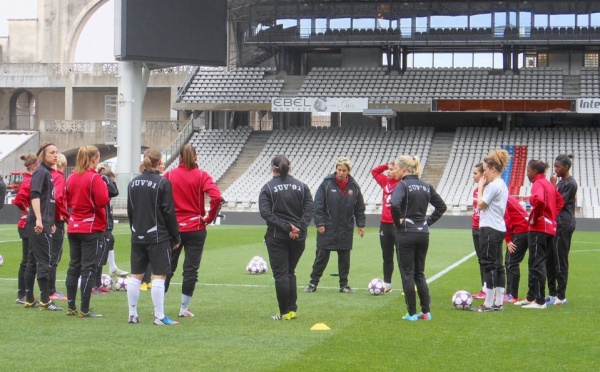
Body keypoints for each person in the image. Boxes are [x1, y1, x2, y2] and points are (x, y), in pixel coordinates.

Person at [162, 144, 222, 318]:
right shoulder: (202, 175)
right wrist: (209, 217)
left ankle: (159, 306)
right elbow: (216, 197)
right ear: (195, 157)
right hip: (196, 227)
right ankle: (183, 308)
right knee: (190, 269)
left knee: (167, 268)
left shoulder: (170, 175)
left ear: (179, 158)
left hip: (174, 229)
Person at [126, 149, 181, 325]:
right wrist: (176, 236)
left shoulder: (133, 183)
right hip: (158, 236)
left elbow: (130, 210)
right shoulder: (163, 182)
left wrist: (135, 231)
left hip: (137, 235)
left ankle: (132, 314)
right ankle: (159, 316)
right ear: (159, 162)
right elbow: (169, 212)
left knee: (136, 275)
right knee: (159, 275)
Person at [390, 155, 446, 321]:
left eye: (396, 167)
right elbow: (441, 207)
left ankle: (412, 313)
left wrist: (397, 222)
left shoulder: (402, 185)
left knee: (407, 274)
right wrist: (427, 222)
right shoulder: (426, 185)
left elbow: (394, 204)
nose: (394, 170)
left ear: (404, 169)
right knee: (419, 273)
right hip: (423, 233)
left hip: (406, 233)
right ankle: (426, 312)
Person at [259, 155, 314, 320]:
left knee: (281, 274)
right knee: (290, 272)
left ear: (272, 168)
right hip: (299, 238)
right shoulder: (302, 187)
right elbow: (309, 210)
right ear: (290, 167)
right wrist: (298, 228)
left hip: (277, 237)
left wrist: (286, 227)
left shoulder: (268, 188)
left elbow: (266, 213)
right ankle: (292, 310)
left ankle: (284, 312)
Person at [305, 156, 365, 294]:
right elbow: (318, 205)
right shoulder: (326, 184)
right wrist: (320, 223)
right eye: (339, 170)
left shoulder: (354, 187)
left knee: (344, 259)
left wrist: (361, 225)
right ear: (336, 169)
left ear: (349, 171)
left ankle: (344, 285)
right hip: (327, 228)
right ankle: (313, 283)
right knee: (321, 256)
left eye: (344, 170)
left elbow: (359, 208)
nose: (341, 173)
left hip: (345, 228)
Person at [65, 145, 109, 318]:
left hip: (74, 225)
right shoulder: (94, 178)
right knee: (88, 267)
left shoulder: (71, 177)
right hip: (90, 226)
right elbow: (102, 200)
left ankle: (71, 306)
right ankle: (84, 308)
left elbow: (66, 198)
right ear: (94, 159)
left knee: (73, 265)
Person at [515, 160, 564, 309]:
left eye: (528, 171)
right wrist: (551, 217)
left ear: (535, 171)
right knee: (533, 262)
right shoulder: (548, 183)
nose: (527, 173)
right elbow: (560, 201)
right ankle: (531, 297)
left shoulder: (538, 183)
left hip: (539, 229)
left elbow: (539, 201)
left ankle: (540, 301)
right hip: (548, 228)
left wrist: (537, 217)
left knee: (537, 263)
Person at [23, 142, 63, 311]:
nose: (55, 155)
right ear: (42, 156)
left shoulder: (47, 172)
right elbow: (35, 195)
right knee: (44, 261)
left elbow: (49, 200)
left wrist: (50, 221)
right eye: (51, 153)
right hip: (38, 222)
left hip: (45, 221)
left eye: (56, 152)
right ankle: (45, 301)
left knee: (32, 260)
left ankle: (30, 299)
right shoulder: (41, 172)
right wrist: (39, 219)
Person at [475, 149, 509, 312]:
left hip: (490, 228)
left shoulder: (493, 185)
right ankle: (498, 302)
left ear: (493, 169)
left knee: (488, 264)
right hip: (498, 227)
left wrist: (481, 186)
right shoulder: (501, 185)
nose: (484, 174)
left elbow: (480, 204)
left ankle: (488, 303)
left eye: (486, 170)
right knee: (498, 265)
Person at [547, 154, 577, 306]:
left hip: (564, 224)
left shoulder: (571, 184)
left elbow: (557, 202)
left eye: (558, 166)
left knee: (560, 259)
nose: (555, 169)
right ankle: (552, 294)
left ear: (566, 167)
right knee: (550, 259)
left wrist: (552, 185)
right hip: (556, 223)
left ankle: (561, 296)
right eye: (555, 166)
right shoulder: (561, 182)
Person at [12, 153, 39, 304]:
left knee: (29, 260)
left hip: (27, 224)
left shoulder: (30, 180)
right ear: (34, 165)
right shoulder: (28, 181)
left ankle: (24, 293)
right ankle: (22, 294)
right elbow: (18, 200)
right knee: (28, 260)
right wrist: (29, 212)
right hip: (26, 225)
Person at [93, 164, 124, 295]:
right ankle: (92, 285)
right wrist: (106, 179)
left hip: (106, 224)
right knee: (98, 256)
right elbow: (115, 190)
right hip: (102, 224)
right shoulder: (101, 185)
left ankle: (97, 284)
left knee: (102, 255)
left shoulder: (106, 191)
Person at [370, 160, 400, 293]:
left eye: (393, 169)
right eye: (389, 169)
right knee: (387, 256)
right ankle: (387, 283)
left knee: (402, 256)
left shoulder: (402, 184)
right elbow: (374, 171)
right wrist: (387, 164)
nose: (389, 171)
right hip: (385, 225)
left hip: (397, 225)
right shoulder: (385, 181)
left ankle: (409, 283)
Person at [49, 153, 69, 301]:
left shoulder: (48, 175)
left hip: (47, 219)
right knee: (54, 255)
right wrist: (64, 215)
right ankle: (51, 290)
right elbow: (58, 198)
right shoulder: (59, 178)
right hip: (55, 220)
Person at [503, 195, 530, 303]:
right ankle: (509, 293)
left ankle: (512, 295)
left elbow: (507, 220)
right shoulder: (507, 197)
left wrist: (508, 240)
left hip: (521, 231)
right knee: (510, 261)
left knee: (511, 262)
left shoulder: (502, 199)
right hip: (523, 230)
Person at [470, 163, 486, 300]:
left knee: (487, 260)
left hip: (485, 229)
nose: (474, 176)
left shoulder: (488, 189)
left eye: (476, 173)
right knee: (481, 260)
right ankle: (484, 288)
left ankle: (489, 289)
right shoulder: (476, 191)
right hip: (475, 227)